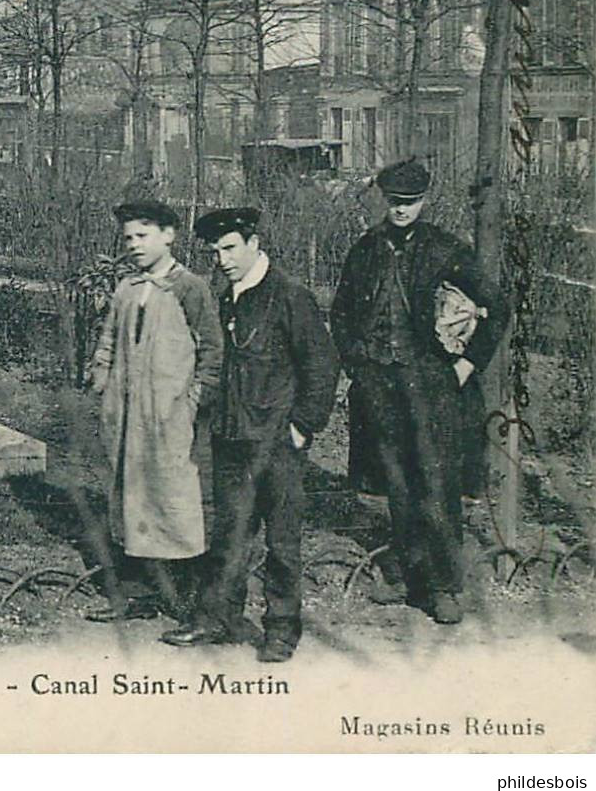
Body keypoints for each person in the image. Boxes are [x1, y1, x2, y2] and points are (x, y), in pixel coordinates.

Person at [329, 159, 505, 625]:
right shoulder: (365, 250)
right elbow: (341, 313)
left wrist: (466, 365)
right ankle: (409, 576)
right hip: (380, 385)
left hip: (431, 386)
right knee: (398, 484)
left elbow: (497, 306)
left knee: (436, 484)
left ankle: (445, 587)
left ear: (424, 201)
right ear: (384, 200)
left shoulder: (447, 250)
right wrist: (357, 365)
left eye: (410, 202)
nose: (401, 209)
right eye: (394, 201)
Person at [162, 208, 339, 662]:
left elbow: (322, 366)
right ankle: (217, 617)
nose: (222, 259)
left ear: (254, 243)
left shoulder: (289, 296)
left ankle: (281, 630)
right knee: (229, 535)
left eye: (230, 248)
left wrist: (303, 427)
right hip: (232, 437)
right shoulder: (227, 298)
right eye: (215, 251)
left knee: (282, 540)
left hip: (277, 441)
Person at [86, 200, 223, 624]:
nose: (134, 246)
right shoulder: (127, 288)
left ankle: (185, 595)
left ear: (169, 235)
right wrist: (101, 379)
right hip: (127, 416)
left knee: (174, 498)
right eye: (128, 238)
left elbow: (213, 351)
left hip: (170, 417)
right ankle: (140, 592)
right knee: (132, 499)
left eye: (142, 236)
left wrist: (193, 400)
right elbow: (108, 341)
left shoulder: (190, 287)